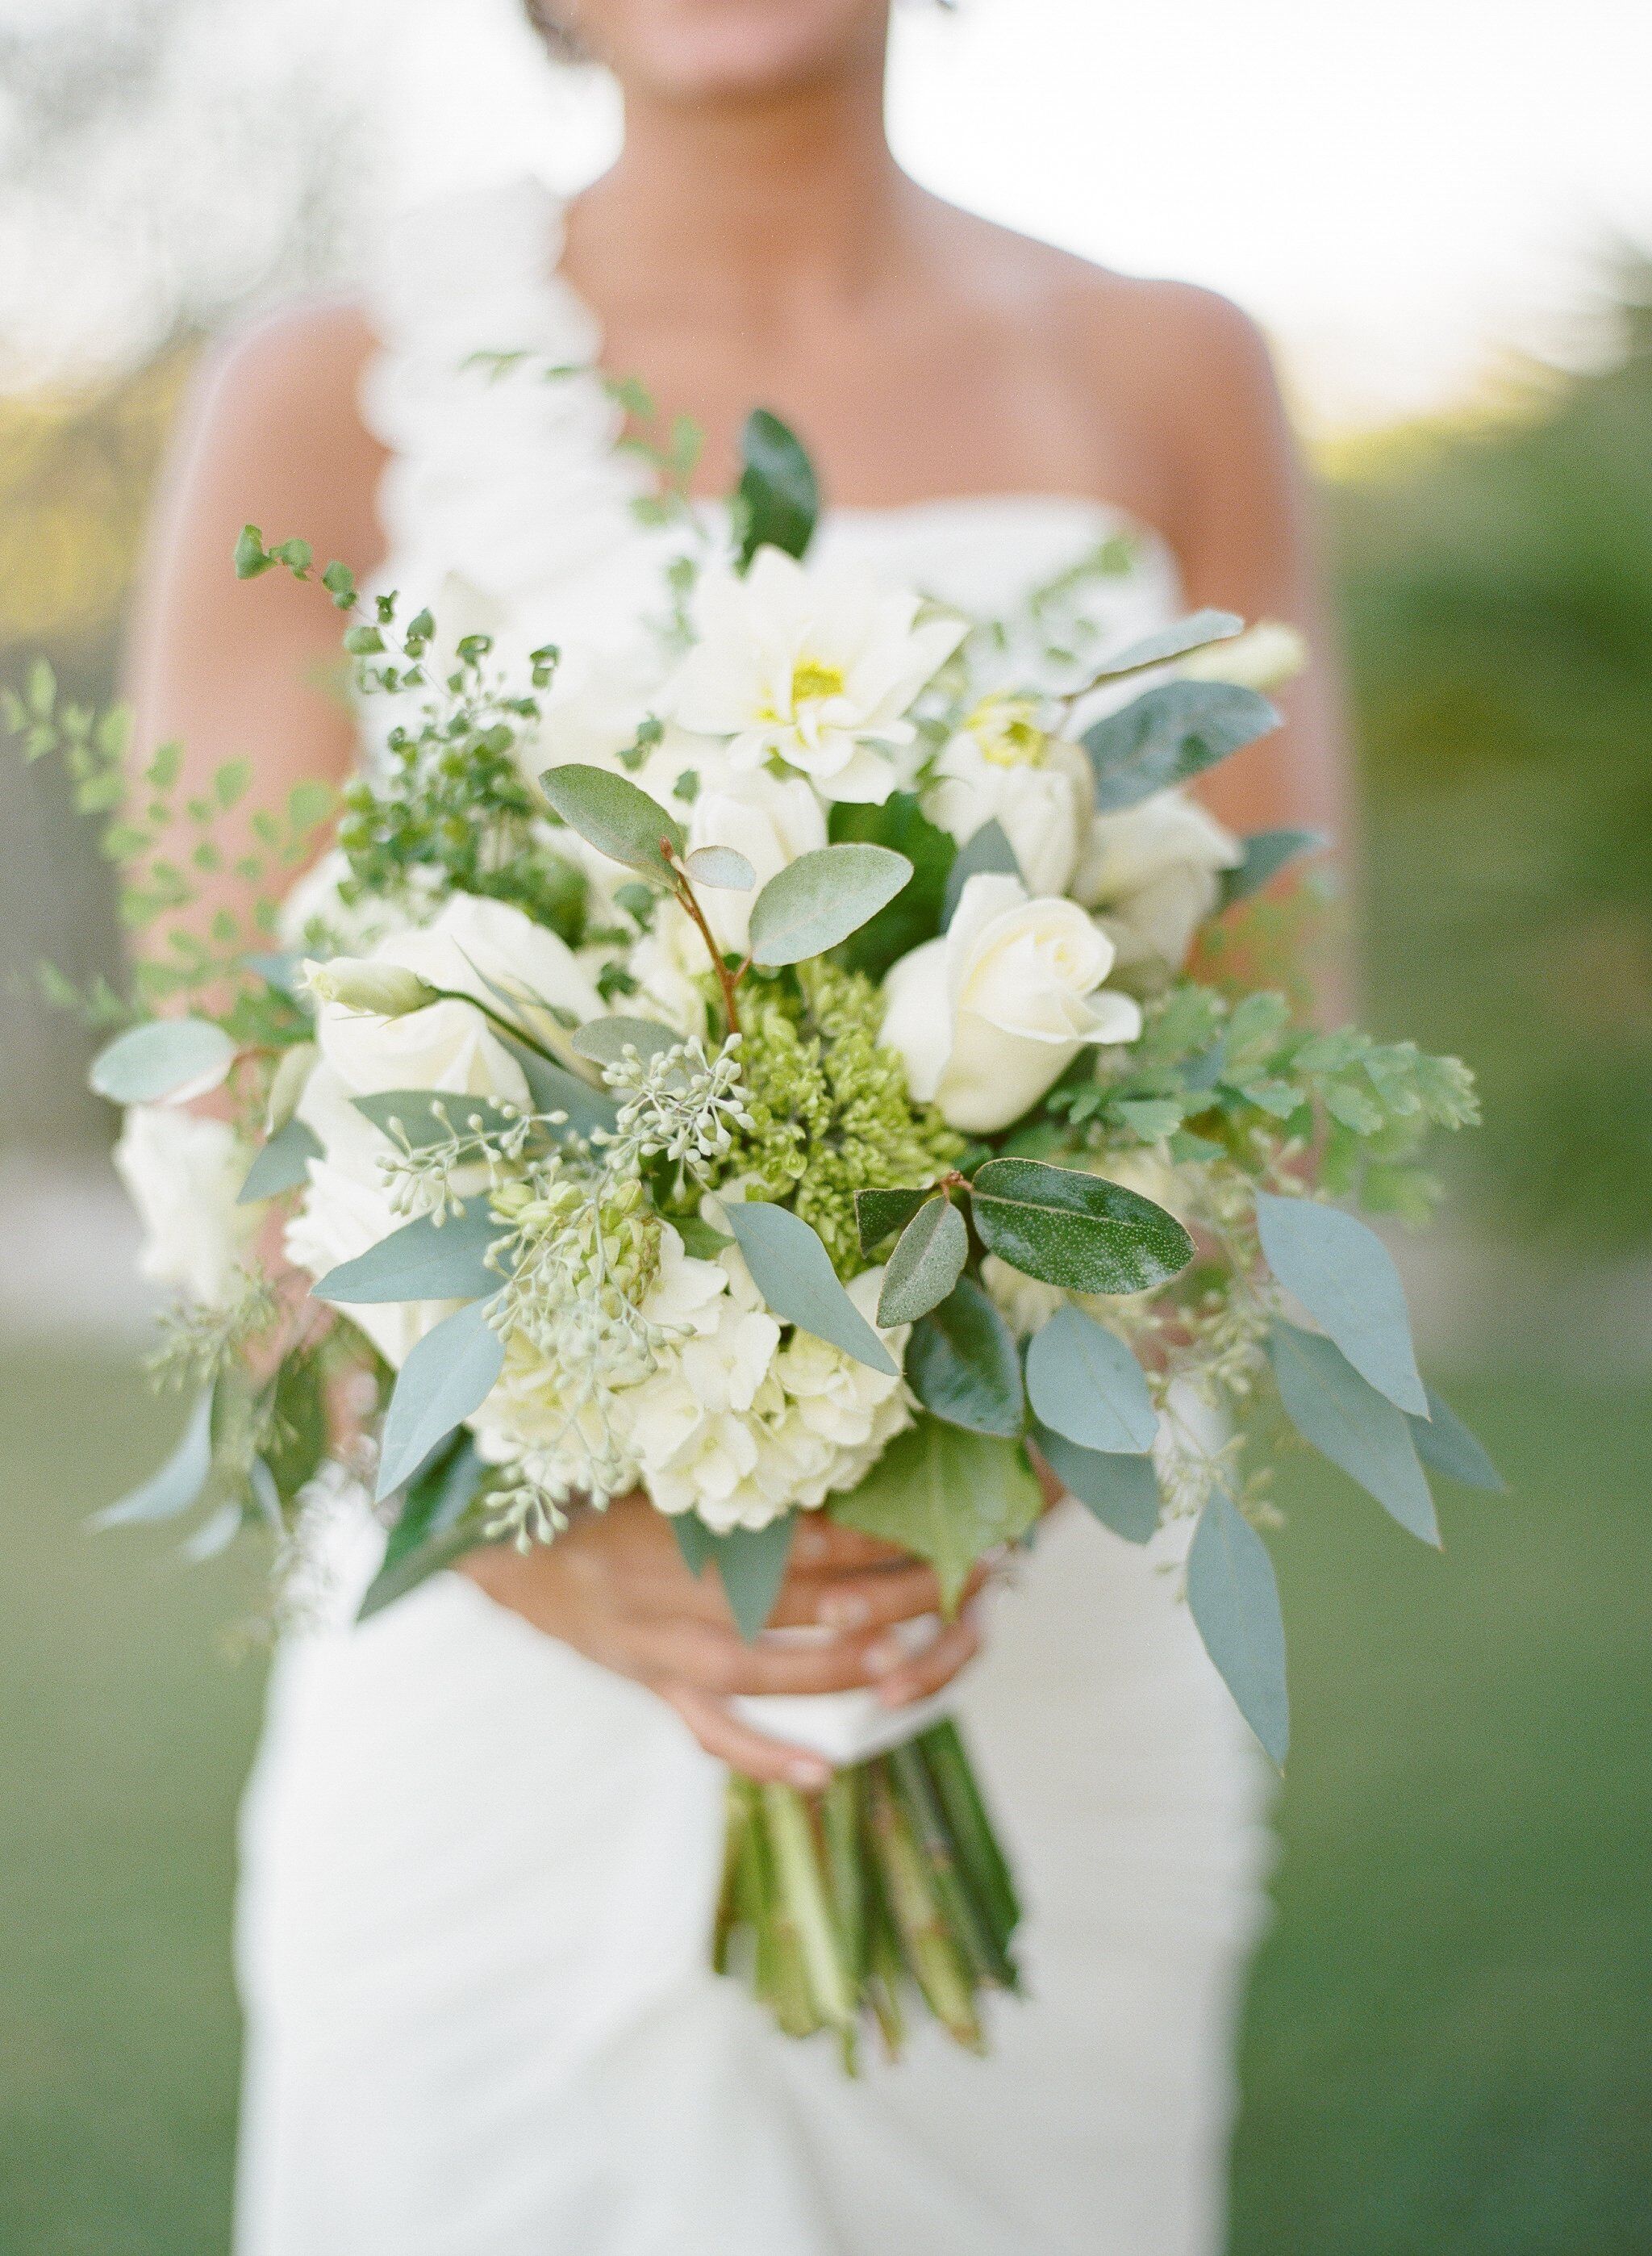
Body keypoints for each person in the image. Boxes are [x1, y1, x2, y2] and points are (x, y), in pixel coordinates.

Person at [126, 3, 1348, 2249]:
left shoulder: (1168, 364)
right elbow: (225, 1098)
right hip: (491, 1665)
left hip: (1029, 1618)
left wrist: (1003, 1435)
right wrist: (528, 1544)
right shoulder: (324, 388)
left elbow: (1280, 1065)